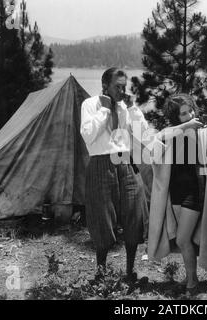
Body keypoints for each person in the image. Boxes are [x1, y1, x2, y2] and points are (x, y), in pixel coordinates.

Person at [148, 93, 207, 293]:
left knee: (182, 239)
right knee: (185, 241)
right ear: (176, 117)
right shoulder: (173, 133)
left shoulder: (205, 132)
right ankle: (191, 278)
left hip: (194, 192)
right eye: (183, 114)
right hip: (176, 192)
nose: (189, 115)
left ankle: (192, 284)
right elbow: (153, 150)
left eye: (190, 111)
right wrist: (183, 128)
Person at [80, 67, 149, 282]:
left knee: (134, 212)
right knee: (101, 217)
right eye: (117, 87)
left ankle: (130, 272)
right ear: (105, 86)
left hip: (126, 162)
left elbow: (143, 134)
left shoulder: (125, 107)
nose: (121, 91)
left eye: (124, 87)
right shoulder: (90, 104)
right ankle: (101, 274)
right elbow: (88, 135)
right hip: (101, 162)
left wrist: (133, 108)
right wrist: (105, 110)